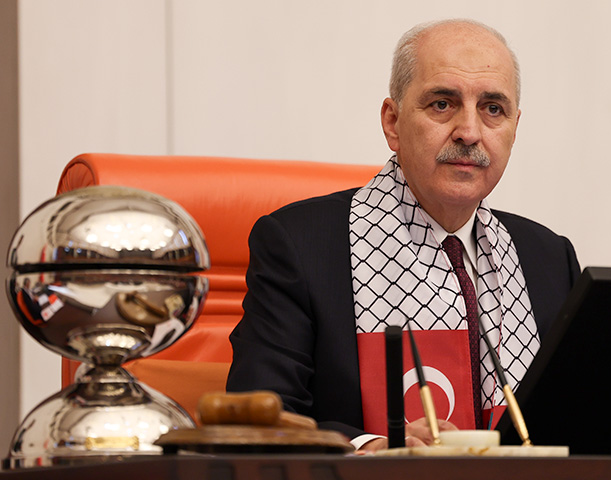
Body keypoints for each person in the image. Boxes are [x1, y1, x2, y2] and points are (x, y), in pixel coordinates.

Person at [226, 18, 580, 452]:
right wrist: (370, 448)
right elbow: (257, 420)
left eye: (493, 109)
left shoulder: (548, 258)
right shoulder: (299, 245)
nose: (470, 132)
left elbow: (583, 419)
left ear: (514, 127)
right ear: (392, 123)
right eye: (442, 104)